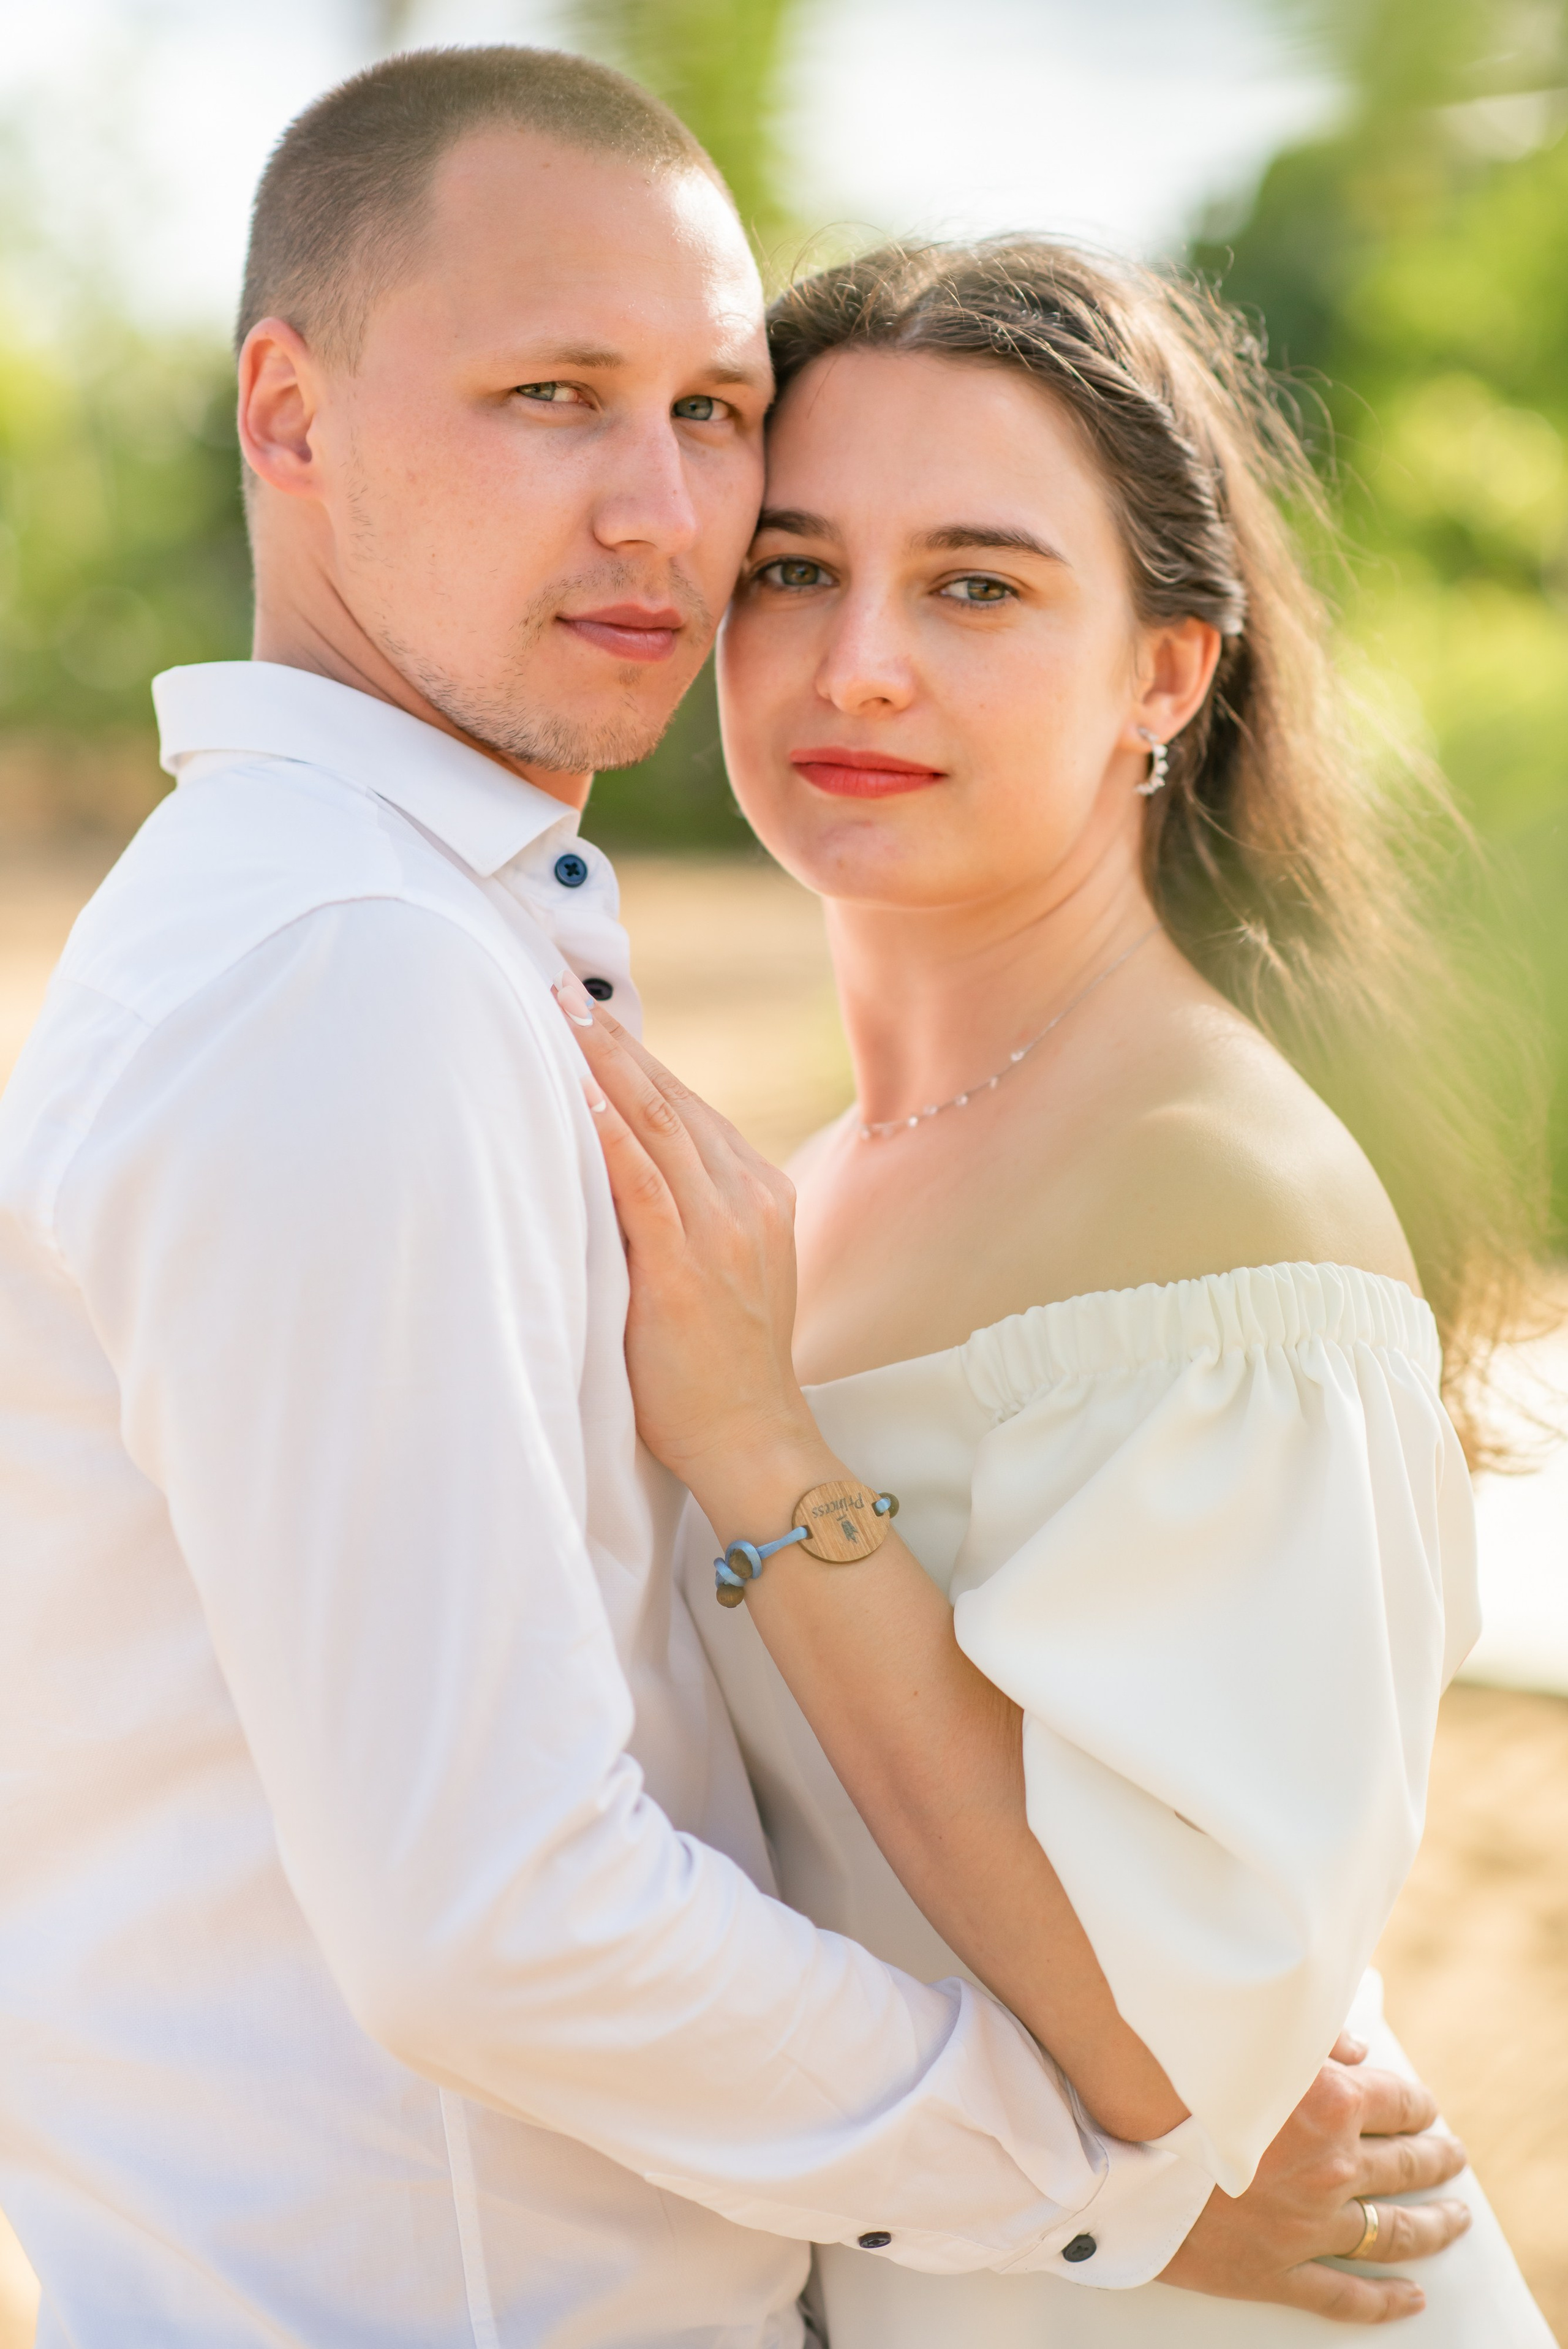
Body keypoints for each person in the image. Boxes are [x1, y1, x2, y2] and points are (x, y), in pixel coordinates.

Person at [0, 50, 1468, 2344]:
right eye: (552, 395)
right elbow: (499, 1902)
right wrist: (1105, 2187)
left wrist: (1124, 2186)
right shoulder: (357, 972)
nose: (661, 515)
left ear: (1162, 673)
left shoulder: (477, 976)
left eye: (706, 416)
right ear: (287, 412)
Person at [565, 238, 1555, 2343]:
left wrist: (752, 1442)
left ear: (1166, 675)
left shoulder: (1213, 1189)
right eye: (795, 570)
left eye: (979, 584)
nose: (859, 668)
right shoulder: (819, 1179)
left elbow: (1170, 2050)